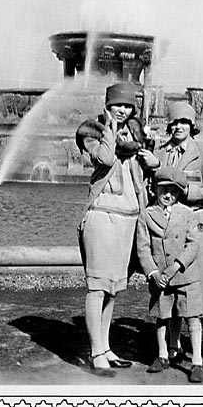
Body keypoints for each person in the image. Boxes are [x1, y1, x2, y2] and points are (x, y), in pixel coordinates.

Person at [138, 101, 203, 370]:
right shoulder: (163, 152)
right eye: (174, 123)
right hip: (171, 224)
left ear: (192, 126)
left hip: (199, 221)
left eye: (184, 123)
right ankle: (173, 345)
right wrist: (153, 166)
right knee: (175, 284)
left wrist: (189, 193)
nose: (178, 127)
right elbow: (157, 184)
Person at [75, 82, 153, 377]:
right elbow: (106, 158)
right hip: (102, 217)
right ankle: (96, 353)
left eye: (128, 106)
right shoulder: (91, 133)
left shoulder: (135, 136)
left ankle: (106, 347)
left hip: (127, 220)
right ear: (106, 104)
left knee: (113, 290)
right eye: (117, 105)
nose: (123, 110)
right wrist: (109, 126)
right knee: (97, 288)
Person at [141, 167, 203, 383]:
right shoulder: (146, 215)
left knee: (192, 316)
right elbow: (142, 248)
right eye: (164, 190)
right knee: (161, 315)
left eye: (174, 192)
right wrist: (153, 273)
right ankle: (162, 355)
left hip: (184, 274)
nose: (168, 195)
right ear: (155, 189)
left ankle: (197, 361)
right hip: (160, 277)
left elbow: (193, 244)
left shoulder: (188, 214)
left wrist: (176, 266)